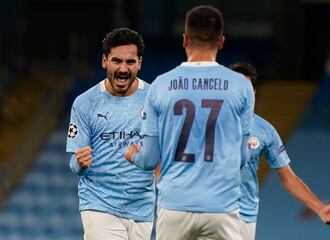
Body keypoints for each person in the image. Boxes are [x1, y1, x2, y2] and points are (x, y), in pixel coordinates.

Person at [124, 5, 255, 240]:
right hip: (222, 207)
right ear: (222, 41)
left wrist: (133, 154)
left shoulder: (160, 86)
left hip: (174, 205)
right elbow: (243, 157)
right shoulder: (241, 86)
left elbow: (149, 160)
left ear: (184, 40)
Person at [229, 62, 330, 240]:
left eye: (246, 88)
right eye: (236, 88)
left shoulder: (265, 130)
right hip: (209, 210)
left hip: (243, 217)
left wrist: (320, 208)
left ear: (254, 93)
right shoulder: (205, 124)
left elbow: (289, 178)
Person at [66, 27, 155, 240]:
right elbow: (74, 164)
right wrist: (80, 163)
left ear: (139, 64)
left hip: (142, 208)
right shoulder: (85, 103)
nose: (123, 68)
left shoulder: (155, 100)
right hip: (99, 204)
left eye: (130, 62)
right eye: (117, 61)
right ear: (104, 61)